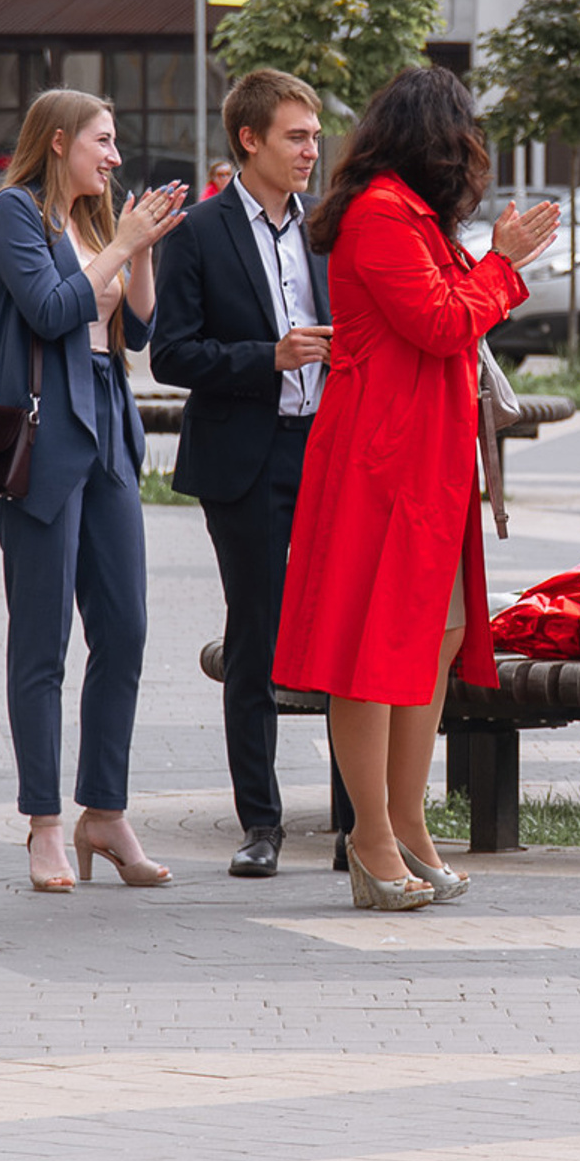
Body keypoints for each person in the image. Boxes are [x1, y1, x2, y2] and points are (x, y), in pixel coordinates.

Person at [273, 67, 560, 911]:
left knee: (434, 640)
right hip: (379, 460)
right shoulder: (380, 215)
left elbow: (450, 311)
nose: (473, 153)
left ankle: (407, 822)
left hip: (421, 461)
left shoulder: (413, 216)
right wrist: (502, 266)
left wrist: (490, 265)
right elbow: (440, 321)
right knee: (372, 654)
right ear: (432, 138)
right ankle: (368, 838)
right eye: (464, 135)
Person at [0, 90, 187, 892]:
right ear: (58, 141)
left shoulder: (95, 222)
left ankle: (105, 811)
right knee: (42, 642)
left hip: (107, 423)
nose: (116, 155)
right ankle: (44, 824)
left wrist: (140, 245)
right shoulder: (13, 215)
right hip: (46, 432)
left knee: (125, 629)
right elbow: (54, 308)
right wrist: (121, 240)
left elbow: (142, 319)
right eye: (103, 140)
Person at [149, 67, 332, 878]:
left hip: (327, 454)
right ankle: (261, 826)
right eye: (297, 136)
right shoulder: (200, 233)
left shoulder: (324, 231)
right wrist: (270, 357)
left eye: (316, 136)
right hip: (248, 459)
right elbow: (171, 353)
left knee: (335, 638)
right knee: (256, 640)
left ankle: (357, 826)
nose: (311, 151)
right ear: (249, 139)